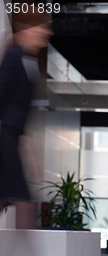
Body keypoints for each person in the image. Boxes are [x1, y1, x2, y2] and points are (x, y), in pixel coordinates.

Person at [0, 12, 51, 212]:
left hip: (12, 135)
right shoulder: (14, 56)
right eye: (42, 27)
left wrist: (23, 140)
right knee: (21, 197)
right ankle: (30, 245)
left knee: (9, 195)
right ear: (24, 29)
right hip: (5, 135)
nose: (47, 32)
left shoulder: (29, 61)